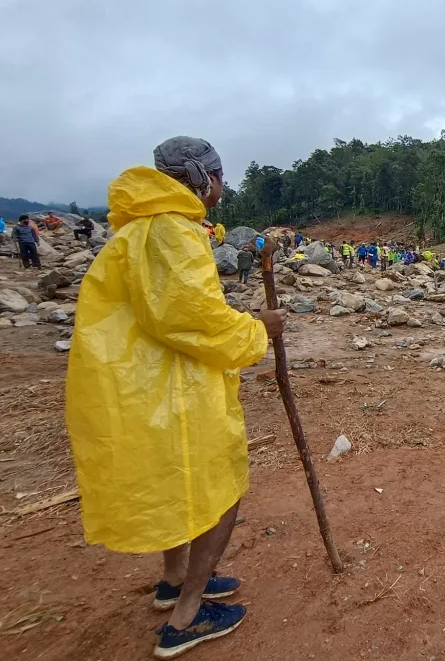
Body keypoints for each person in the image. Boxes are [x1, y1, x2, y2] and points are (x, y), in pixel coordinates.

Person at [65, 137, 288, 658]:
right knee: (221, 490)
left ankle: (175, 580)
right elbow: (190, 317)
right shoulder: (172, 231)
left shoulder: (141, 227)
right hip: (175, 386)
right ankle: (187, 616)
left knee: (181, 480)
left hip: (145, 385)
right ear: (200, 177)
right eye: (220, 175)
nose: (224, 185)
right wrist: (258, 329)